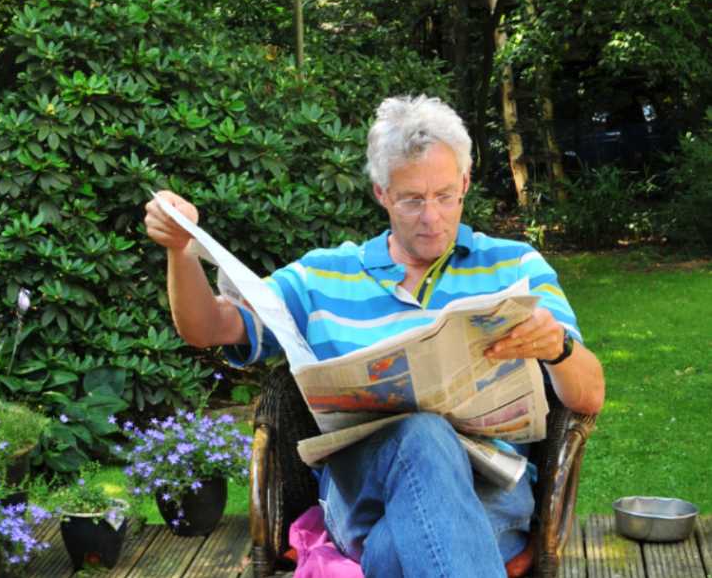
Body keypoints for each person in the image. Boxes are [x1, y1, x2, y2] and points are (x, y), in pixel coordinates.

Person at [143, 95, 604, 577]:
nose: (432, 217)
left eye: (446, 195)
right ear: (381, 192)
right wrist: (181, 251)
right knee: (421, 434)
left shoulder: (516, 267)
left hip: (488, 502)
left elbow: (589, 395)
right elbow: (207, 328)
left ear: (466, 183)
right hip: (362, 502)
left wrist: (559, 348)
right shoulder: (323, 275)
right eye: (412, 199)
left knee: (401, 551)